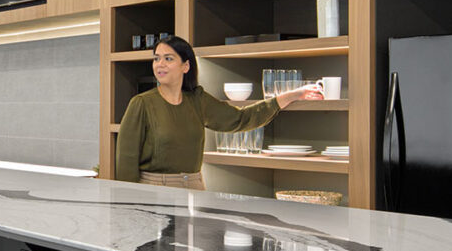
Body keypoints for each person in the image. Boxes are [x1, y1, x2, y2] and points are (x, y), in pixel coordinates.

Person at [114, 35, 324, 190]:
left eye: (168, 59)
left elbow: (241, 119)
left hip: (194, 188)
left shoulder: (198, 100)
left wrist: (290, 96)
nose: (160, 64)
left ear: (185, 66)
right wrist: (130, 204)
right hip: (151, 191)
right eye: (156, 58)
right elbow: (126, 161)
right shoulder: (141, 103)